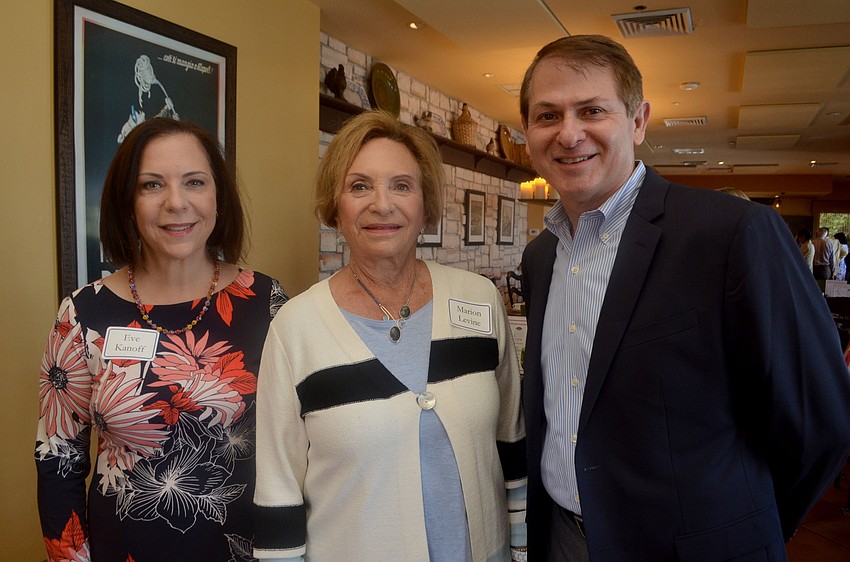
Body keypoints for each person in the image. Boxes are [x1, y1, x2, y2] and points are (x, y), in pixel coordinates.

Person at [518, 35, 850, 561]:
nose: (569, 133)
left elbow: (821, 422)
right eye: (547, 115)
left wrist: (745, 526)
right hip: (562, 540)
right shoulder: (539, 259)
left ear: (638, 120)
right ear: (528, 133)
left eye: (592, 110)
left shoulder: (733, 235)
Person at [253, 110, 526, 561]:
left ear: (425, 206)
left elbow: (510, 439)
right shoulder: (294, 329)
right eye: (359, 186)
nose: (382, 204)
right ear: (335, 207)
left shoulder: (479, 300)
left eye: (402, 185)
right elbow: (278, 486)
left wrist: (520, 546)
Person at [35, 117, 288, 561]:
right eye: (152, 185)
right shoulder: (81, 314)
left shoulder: (267, 302)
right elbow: (59, 461)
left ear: (218, 197)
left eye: (194, 182)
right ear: (127, 202)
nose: (176, 203)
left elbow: (297, 446)